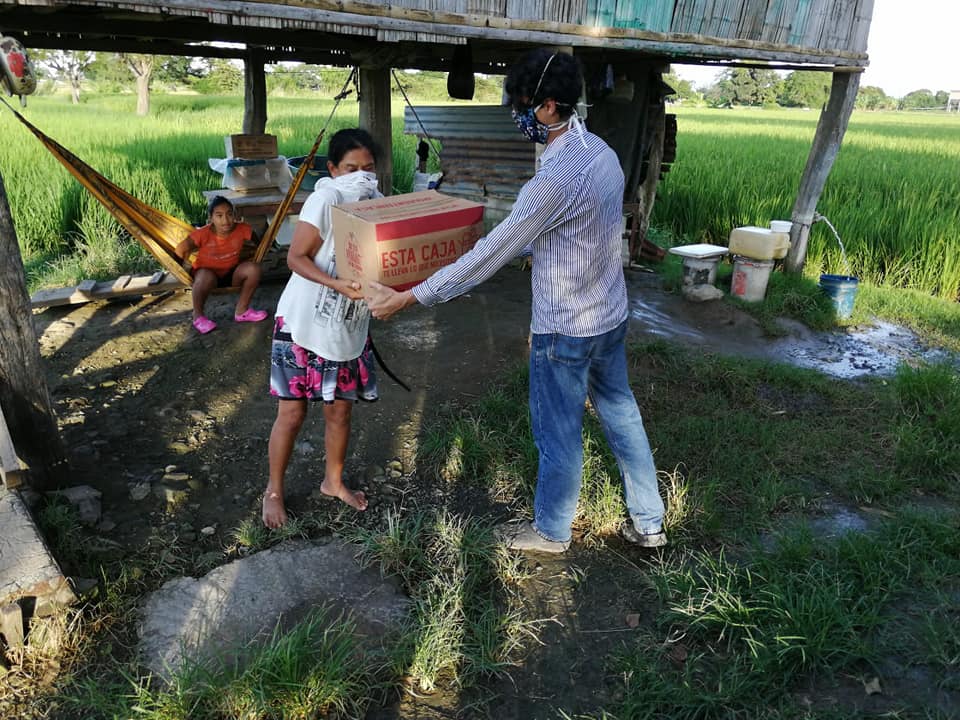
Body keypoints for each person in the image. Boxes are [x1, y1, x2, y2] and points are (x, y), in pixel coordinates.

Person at [365, 49, 667, 553]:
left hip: (565, 329)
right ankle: (649, 521)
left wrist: (410, 297)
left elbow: (493, 255)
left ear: (548, 107)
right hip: (609, 316)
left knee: (559, 433)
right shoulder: (602, 153)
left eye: (521, 105)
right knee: (622, 414)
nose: (516, 115)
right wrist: (500, 241)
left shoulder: (554, 178)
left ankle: (551, 531)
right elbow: (574, 230)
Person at [262, 128, 381, 528]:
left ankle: (333, 481)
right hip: (303, 321)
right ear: (332, 169)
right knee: (292, 413)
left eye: (368, 167)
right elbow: (296, 258)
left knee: (340, 412)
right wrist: (336, 284)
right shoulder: (326, 199)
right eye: (350, 168)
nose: (361, 176)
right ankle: (273, 491)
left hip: (347, 323)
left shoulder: (378, 203)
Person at [175, 195, 268, 334]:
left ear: (234, 215)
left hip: (231, 274)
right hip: (207, 275)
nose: (225, 220)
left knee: (254, 269)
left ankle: (242, 311)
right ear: (211, 218)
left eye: (229, 214)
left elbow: (257, 241)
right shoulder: (202, 234)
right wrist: (182, 271)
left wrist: (258, 250)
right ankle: (198, 317)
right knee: (204, 276)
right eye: (219, 216)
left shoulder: (243, 229)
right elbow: (180, 249)